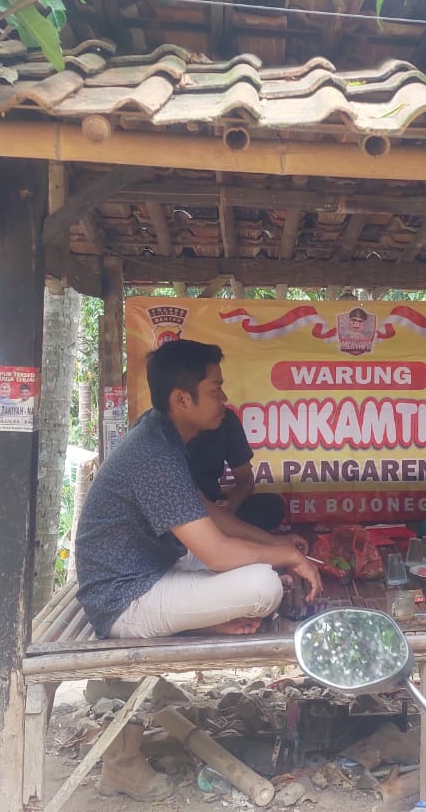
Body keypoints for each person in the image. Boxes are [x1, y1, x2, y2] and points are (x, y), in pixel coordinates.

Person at [76, 339, 320, 800]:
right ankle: (121, 766)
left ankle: (204, 617)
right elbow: (217, 554)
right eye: (215, 389)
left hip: (149, 568)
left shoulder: (163, 435)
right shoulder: (153, 452)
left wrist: (274, 543)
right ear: (181, 399)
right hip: (124, 598)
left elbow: (209, 513)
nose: (224, 398)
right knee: (264, 586)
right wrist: (286, 557)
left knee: (264, 564)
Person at [187, 407, 286, 531]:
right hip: (177, 512)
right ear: (184, 400)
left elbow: (245, 479)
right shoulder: (163, 433)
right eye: (215, 394)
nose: (223, 398)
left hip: (213, 506)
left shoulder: (223, 417)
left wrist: (228, 509)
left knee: (272, 506)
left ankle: (217, 530)